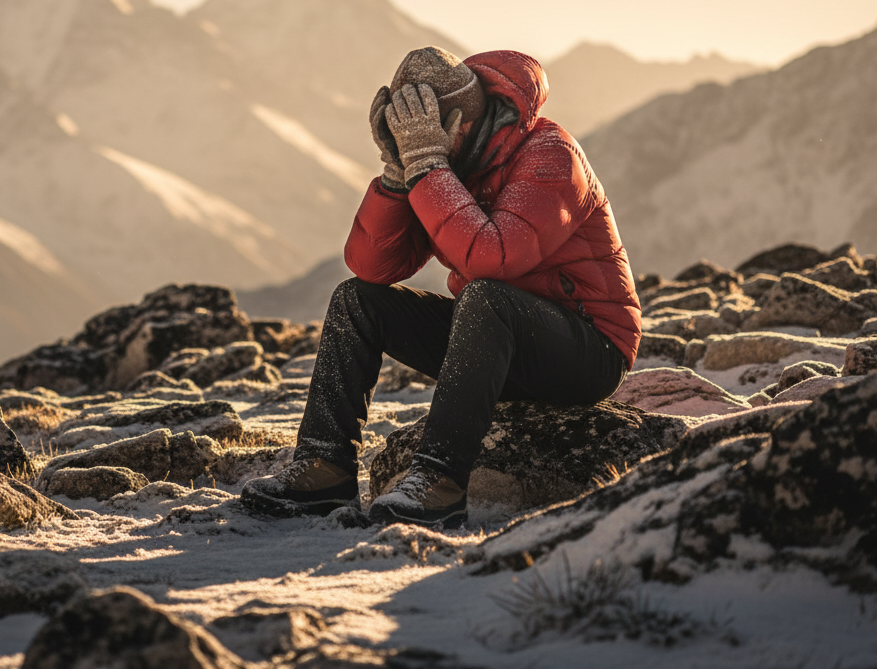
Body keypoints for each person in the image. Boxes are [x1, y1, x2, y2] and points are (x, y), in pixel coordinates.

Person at [241, 47, 641, 528]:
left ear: (459, 126)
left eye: (425, 134)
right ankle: (323, 470)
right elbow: (372, 264)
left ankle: (438, 483)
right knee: (354, 301)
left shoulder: (550, 155)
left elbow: (495, 258)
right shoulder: (447, 163)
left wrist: (428, 167)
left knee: (485, 297)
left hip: (590, 348)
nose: (416, 143)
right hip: (498, 341)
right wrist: (396, 175)